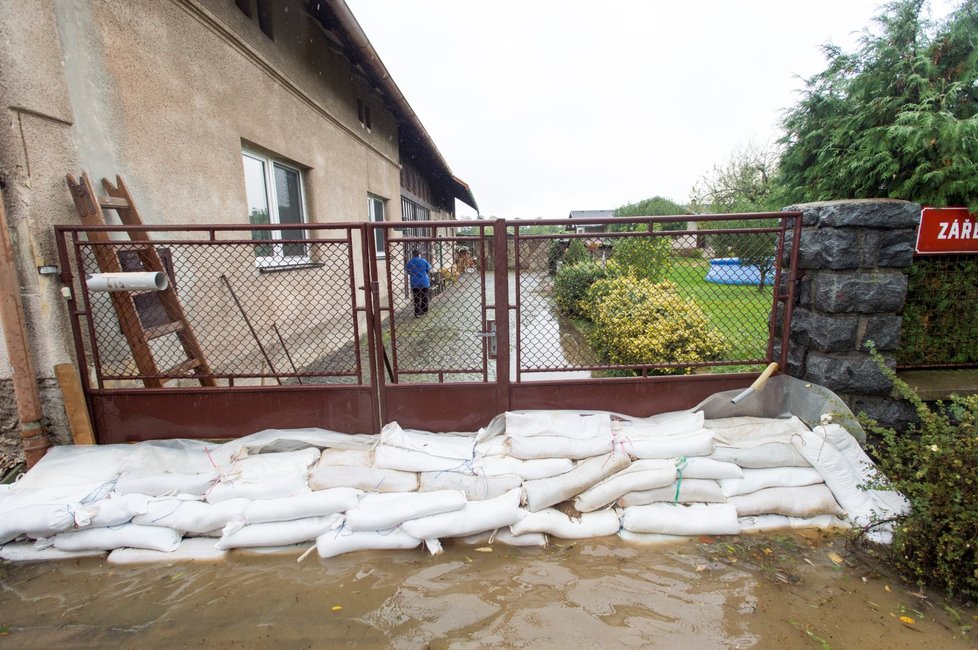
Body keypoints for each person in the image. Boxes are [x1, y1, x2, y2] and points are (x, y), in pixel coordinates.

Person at [405, 248, 432, 317]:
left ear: (413, 255)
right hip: (424, 281)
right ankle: (424, 309)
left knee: (416, 297)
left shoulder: (410, 262)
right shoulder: (423, 260)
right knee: (424, 296)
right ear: (419, 254)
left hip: (415, 282)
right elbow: (428, 269)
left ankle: (417, 313)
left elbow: (408, 271)